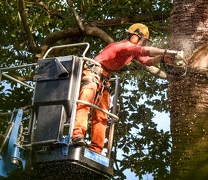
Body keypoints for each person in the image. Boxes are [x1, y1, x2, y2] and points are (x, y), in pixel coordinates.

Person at [71, 23, 183, 154]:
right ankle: (77, 135)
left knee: (102, 114)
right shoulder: (123, 46)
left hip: (104, 80)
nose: (144, 44)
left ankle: (96, 149)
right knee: (85, 102)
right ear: (135, 36)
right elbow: (142, 51)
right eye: (143, 41)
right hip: (93, 73)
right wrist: (167, 51)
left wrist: (162, 57)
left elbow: (147, 61)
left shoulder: (132, 52)